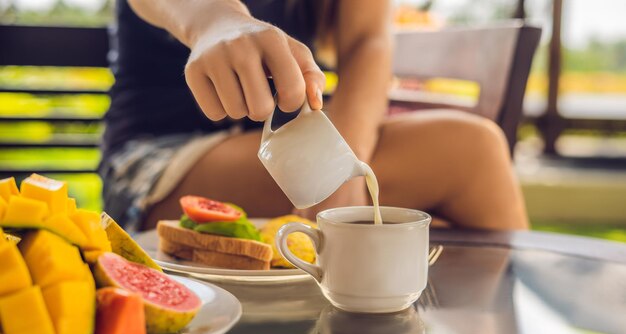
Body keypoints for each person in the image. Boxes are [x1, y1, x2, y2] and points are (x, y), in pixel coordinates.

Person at [101, 0, 529, 232]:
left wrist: (342, 163)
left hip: (277, 148)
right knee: (473, 154)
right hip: (156, 168)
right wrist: (215, 21)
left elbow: (368, 42)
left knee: (473, 152)